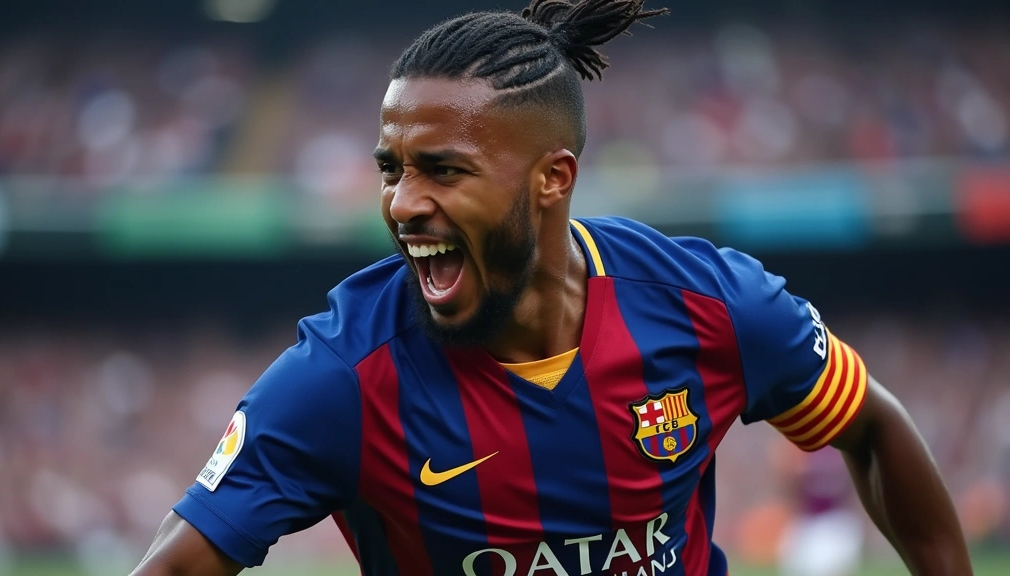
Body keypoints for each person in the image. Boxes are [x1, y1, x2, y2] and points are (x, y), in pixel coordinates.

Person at [130, 1, 973, 574]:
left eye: (442, 170)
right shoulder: (342, 379)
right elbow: (175, 562)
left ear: (551, 179)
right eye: (391, 170)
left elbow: (872, 427)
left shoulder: (711, 308)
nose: (401, 202)